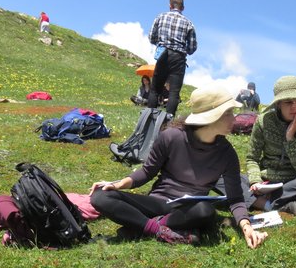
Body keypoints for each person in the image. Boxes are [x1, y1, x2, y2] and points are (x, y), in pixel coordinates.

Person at [90, 84, 268, 249]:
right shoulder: (171, 137)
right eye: (229, 113)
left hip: (190, 209)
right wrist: (118, 184)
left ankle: (141, 225)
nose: (234, 118)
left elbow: (236, 198)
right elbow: (147, 171)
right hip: (158, 202)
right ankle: (159, 229)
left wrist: (246, 227)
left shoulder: (227, 153)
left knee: (205, 210)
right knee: (100, 196)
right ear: (213, 117)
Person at [244, 75, 296, 216]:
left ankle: (261, 202)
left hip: (293, 182)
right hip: (265, 180)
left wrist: (290, 138)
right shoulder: (263, 121)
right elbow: (252, 158)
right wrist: (255, 181)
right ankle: (277, 203)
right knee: (228, 179)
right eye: (288, 102)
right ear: (279, 104)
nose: (295, 107)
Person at [147, 0, 197, 117]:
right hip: (178, 58)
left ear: (170, 5)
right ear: (183, 8)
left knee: (155, 89)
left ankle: (149, 120)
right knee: (174, 92)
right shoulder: (188, 23)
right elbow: (192, 47)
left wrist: (160, 43)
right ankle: (168, 123)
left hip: (163, 54)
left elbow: (151, 37)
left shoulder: (161, 17)